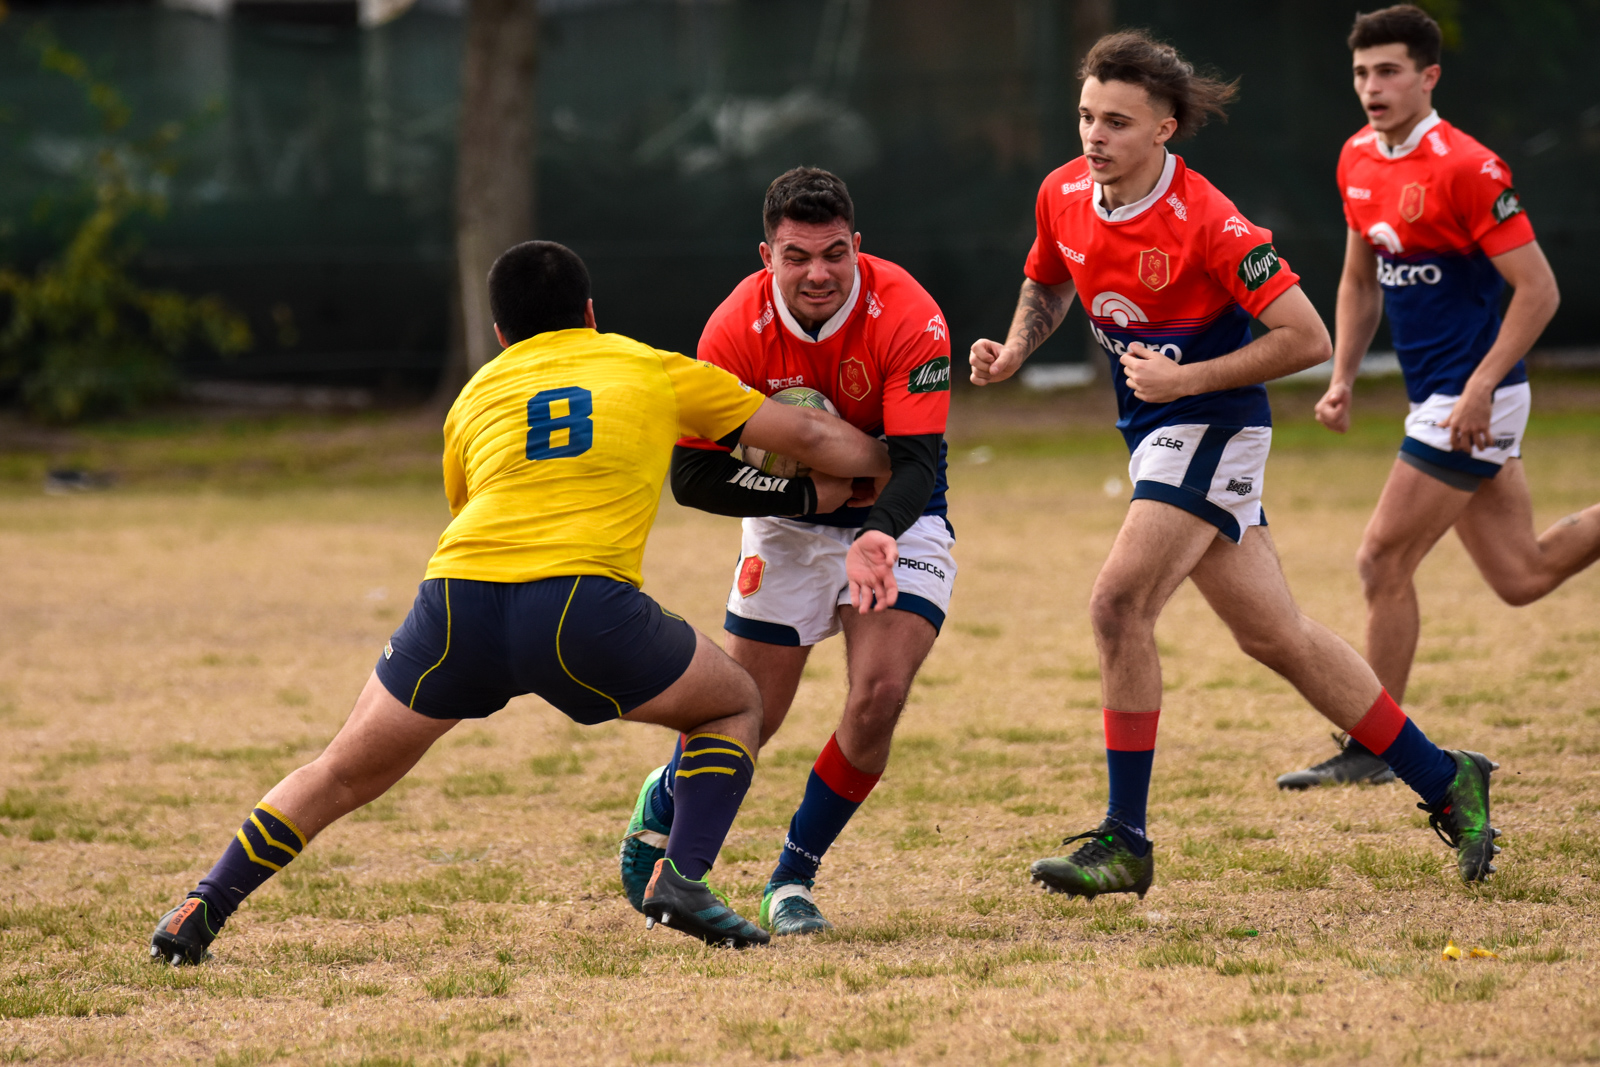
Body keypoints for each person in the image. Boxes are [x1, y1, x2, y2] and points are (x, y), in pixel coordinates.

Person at [149, 241, 893, 963]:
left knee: (341, 769)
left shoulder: (475, 394)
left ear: (502, 332)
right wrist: (891, 462)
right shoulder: (647, 366)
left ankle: (203, 903)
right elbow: (799, 430)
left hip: (455, 603)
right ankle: (684, 878)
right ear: (592, 312)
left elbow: (465, 501)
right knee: (734, 704)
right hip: (579, 607)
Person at [968, 31, 1501, 894]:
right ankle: (1447, 779)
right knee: (1276, 635)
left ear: (1165, 130)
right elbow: (1050, 277)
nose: (1093, 137)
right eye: (1085, 117)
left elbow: (1306, 337)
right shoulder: (1064, 191)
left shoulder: (1211, 222)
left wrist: (1188, 379)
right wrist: (1019, 347)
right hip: (1157, 431)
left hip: (1213, 425)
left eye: (1116, 123)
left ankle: (1125, 837)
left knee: (1117, 603)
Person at [618, 167, 955, 935]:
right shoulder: (733, 328)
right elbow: (694, 475)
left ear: (857, 246)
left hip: (898, 521)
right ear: (766, 254)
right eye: (797, 255)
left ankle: (792, 879)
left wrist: (874, 528)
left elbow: (917, 463)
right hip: (789, 530)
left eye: (835, 253)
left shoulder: (909, 312)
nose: (819, 273)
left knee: (878, 697)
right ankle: (663, 800)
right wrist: (807, 498)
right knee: (748, 719)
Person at [1276, 4, 1600, 789]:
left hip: (1471, 397)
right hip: (1438, 395)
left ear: (1429, 76)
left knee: (1381, 557)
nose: (1371, 87)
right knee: (1521, 576)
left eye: (1388, 71)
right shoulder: (1357, 158)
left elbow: (1539, 291)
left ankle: (1375, 746)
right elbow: (1360, 279)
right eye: (1360, 72)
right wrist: (1343, 376)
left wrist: (1483, 386)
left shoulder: (1465, 166)